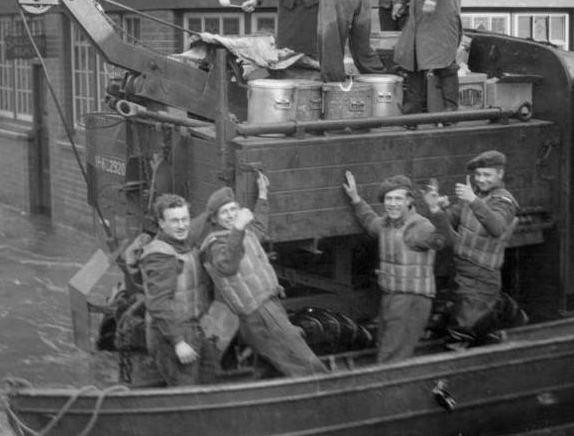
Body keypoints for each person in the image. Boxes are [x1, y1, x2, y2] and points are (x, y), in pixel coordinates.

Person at [199, 174, 327, 376]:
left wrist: (263, 197)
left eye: (234, 209)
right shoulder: (217, 244)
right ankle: (325, 391)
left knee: (282, 360)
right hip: (260, 312)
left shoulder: (242, 234)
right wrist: (239, 226)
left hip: (267, 306)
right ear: (214, 219)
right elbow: (227, 265)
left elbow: (257, 227)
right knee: (300, 357)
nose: (231, 215)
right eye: (224, 212)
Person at [343, 172, 445, 362]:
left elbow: (442, 240)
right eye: (388, 198)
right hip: (391, 298)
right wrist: (356, 198)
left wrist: (435, 209)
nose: (392, 203)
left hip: (411, 299)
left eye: (398, 198)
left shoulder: (420, 227)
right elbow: (369, 220)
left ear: (409, 201)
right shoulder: (386, 225)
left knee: (392, 356)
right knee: (385, 348)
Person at [422, 151, 520, 341]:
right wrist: (436, 208)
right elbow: (449, 222)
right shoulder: (472, 196)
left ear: (500, 174)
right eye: (478, 175)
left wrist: (472, 200)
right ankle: (497, 319)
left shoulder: (504, 201)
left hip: (482, 277)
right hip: (460, 272)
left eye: (487, 175)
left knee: (462, 333)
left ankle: (500, 313)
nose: (481, 180)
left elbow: (496, 227)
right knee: (466, 327)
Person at [133, 194, 219, 386]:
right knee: (185, 391)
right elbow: (158, 304)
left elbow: (197, 223)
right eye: (174, 221)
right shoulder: (161, 256)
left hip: (195, 328)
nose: (181, 226)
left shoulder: (183, 242)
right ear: (162, 224)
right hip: (170, 335)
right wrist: (178, 342)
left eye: (184, 219)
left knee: (208, 384)